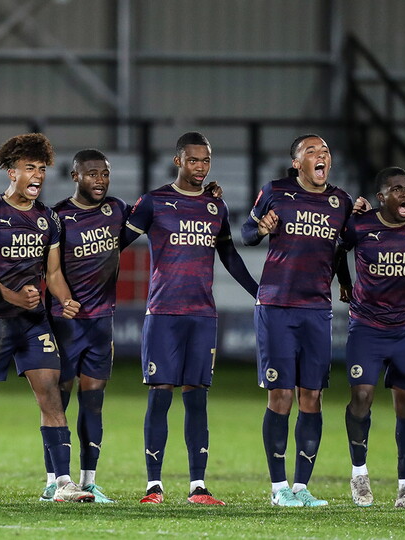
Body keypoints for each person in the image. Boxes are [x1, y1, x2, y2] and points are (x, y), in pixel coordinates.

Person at [0, 133, 92, 502]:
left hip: (34, 323)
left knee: (51, 396)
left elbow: (55, 273)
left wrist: (65, 299)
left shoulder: (48, 220)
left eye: (42, 169)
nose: (38, 175)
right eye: (30, 168)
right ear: (12, 172)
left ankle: (62, 482)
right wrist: (14, 295)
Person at [123, 132, 259, 505]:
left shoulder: (216, 207)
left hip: (202, 315)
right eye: (194, 160)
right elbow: (116, 243)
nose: (200, 167)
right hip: (164, 312)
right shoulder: (154, 202)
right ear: (177, 160)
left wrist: (259, 292)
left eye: (206, 161)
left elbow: (229, 256)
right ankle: (154, 486)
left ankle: (198, 486)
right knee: (160, 396)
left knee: (197, 399)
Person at [241, 134, 353, 508]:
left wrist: (347, 284)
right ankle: (278, 489)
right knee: (281, 395)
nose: (321, 156)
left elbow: (344, 247)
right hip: (276, 307)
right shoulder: (275, 191)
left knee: (312, 396)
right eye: (311, 152)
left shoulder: (342, 202)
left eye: (325, 151)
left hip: (316, 310)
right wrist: (260, 228)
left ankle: (302, 487)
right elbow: (245, 232)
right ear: (296, 163)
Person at [337, 167, 405, 509]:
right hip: (366, 327)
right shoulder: (361, 225)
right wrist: (344, 283)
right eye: (396, 189)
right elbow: (338, 251)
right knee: (362, 397)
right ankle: (359, 473)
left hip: (404, 330)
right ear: (381, 197)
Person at [38, 149, 127, 503]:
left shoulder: (117, 210)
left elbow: (157, 216)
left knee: (93, 403)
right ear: (75, 176)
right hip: (65, 323)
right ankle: (53, 480)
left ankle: (89, 481)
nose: (100, 180)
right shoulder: (58, 216)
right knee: (57, 402)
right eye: (92, 174)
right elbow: (48, 267)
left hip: (101, 323)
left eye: (104, 173)